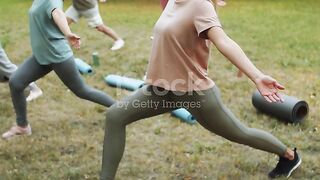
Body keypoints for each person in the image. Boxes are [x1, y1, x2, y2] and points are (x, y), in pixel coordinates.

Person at [100, 0, 301, 179]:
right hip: (161, 89)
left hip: (194, 93)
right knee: (115, 116)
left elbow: (223, 41)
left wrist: (256, 76)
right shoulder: (171, 1)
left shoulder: (200, 5)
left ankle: (289, 155)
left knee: (240, 133)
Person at [2, 0, 116, 140]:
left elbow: (57, 12)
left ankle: (121, 109)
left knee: (81, 90)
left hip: (57, 55)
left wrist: (67, 33)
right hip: (41, 56)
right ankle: (22, 126)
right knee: (16, 82)